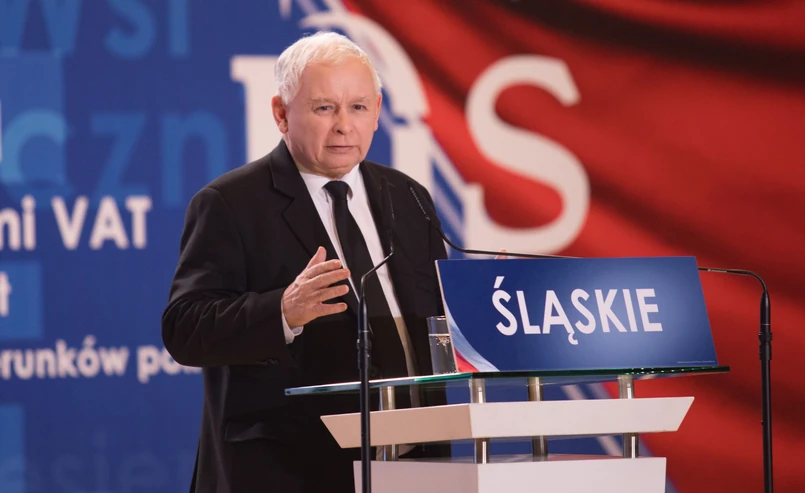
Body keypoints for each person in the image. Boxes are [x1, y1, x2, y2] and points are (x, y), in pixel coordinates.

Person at [161, 31, 448, 493]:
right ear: (281, 113)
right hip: (287, 469)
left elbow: (436, 320)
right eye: (324, 108)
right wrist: (282, 311)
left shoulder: (409, 197)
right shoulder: (230, 203)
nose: (344, 126)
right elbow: (185, 329)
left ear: (377, 111)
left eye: (358, 107)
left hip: (416, 465)